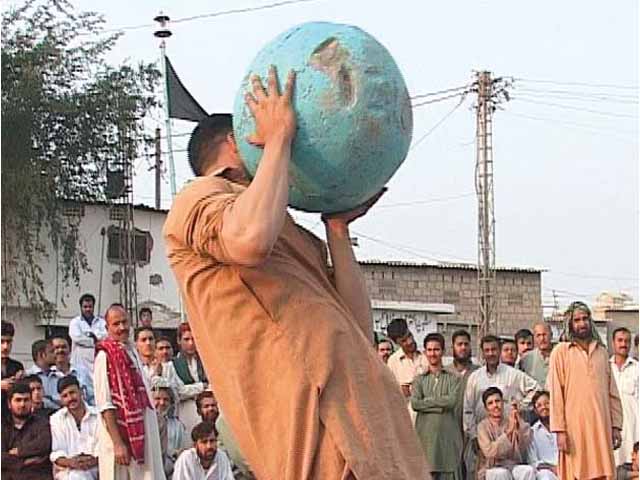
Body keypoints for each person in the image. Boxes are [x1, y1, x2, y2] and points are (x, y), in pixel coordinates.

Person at [163, 69, 428, 479]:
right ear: (236, 141)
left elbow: (357, 326)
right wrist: (278, 139)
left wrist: (336, 230)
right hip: (321, 435)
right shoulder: (199, 196)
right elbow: (248, 240)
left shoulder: (289, 232)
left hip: (372, 429)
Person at [547, 301, 623, 480]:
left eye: (585, 319)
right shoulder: (561, 352)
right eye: (577, 320)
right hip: (574, 430)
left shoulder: (602, 352)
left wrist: (616, 426)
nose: (582, 324)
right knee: (576, 473)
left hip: (600, 427)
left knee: (603, 472)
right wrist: (560, 431)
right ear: (570, 324)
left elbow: (612, 392)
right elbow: (556, 394)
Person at [94, 303, 165, 479]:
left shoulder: (131, 351)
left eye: (125, 322)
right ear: (107, 327)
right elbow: (105, 405)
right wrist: (118, 444)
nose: (122, 327)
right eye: (116, 324)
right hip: (120, 435)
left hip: (143, 428)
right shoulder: (104, 356)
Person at [464, 335, 539, 442]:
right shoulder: (475, 378)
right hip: (482, 436)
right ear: (482, 353)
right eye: (487, 350)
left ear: (499, 350)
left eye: (494, 349)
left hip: (508, 435)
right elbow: (468, 410)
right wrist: (474, 436)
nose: (490, 353)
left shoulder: (513, 375)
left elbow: (537, 389)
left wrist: (521, 405)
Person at [411, 332, 463, 480]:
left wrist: (426, 403)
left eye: (436, 349)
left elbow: (452, 401)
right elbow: (415, 403)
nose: (433, 354)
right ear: (425, 352)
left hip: (447, 440)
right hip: (425, 439)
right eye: (430, 350)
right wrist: (440, 405)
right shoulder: (419, 380)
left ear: (443, 351)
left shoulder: (454, 377)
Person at [477, 386, 535, 480]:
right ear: (486, 408)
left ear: (503, 403)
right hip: (492, 468)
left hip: (513, 465)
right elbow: (490, 451)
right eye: (490, 403)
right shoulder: (482, 427)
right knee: (500, 474)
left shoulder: (511, 420)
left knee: (528, 470)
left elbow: (527, 439)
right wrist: (508, 432)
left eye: (497, 401)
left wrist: (517, 417)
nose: (495, 405)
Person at [445, 329, 480, 480]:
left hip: (473, 431)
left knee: (472, 469)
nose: (463, 348)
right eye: (459, 344)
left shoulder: (478, 372)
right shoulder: (445, 372)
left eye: (466, 344)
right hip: (450, 429)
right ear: (453, 347)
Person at [49, 375, 98, 480]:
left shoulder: (98, 415)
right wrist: (72, 463)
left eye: (72, 393)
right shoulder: (56, 419)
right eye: (65, 396)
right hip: (68, 471)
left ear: (81, 392)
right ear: (61, 399)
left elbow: (102, 447)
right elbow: (57, 453)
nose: (70, 398)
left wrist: (93, 461)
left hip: (96, 468)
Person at [1, 381, 53, 479]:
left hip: (37, 476)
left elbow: (44, 444)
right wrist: (25, 462)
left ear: (31, 402)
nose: (22, 404)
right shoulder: (2, 426)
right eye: (18, 400)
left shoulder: (42, 422)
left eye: (26, 400)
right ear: (9, 403)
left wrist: (19, 452)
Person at [386, 317, 427, 424]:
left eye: (409, 335)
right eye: (404, 341)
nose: (410, 341)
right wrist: (401, 391)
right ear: (396, 343)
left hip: (427, 420)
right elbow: (389, 395)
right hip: (405, 421)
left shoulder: (427, 356)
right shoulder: (393, 362)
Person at [610, 327, 639, 467]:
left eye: (627, 341)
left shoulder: (637, 369)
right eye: (620, 340)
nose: (623, 344)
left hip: (633, 429)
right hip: (612, 428)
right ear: (613, 343)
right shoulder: (606, 368)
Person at [173, 323, 208, 435]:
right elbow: (178, 391)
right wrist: (202, 387)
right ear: (179, 341)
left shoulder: (205, 362)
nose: (191, 343)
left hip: (206, 411)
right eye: (186, 339)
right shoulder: (173, 364)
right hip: (185, 412)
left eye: (194, 339)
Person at [152, 377, 187, 479]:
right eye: (157, 399)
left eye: (166, 399)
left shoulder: (178, 426)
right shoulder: (147, 423)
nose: (162, 403)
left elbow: (182, 450)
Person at [49, 335, 95, 406]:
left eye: (64, 347)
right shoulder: (47, 375)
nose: (60, 350)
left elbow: (92, 397)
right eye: (56, 348)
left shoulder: (82, 371)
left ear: (70, 349)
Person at [69, 293, 106, 377]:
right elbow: (77, 338)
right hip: (80, 365)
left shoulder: (101, 322)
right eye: (85, 307)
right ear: (81, 307)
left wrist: (91, 337)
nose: (88, 309)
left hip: (97, 364)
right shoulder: (75, 322)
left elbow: (106, 337)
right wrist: (95, 340)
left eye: (90, 307)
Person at [526, 391, 558, 480]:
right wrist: (552, 468)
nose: (544, 407)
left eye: (547, 403)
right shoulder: (532, 432)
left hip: (567, 468)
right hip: (547, 472)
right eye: (539, 405)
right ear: (535, 411)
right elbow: (533, 462)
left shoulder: (564, 428)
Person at [25, 339, 58, 409]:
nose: (55, 354)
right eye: (51, 352)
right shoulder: (27, 377)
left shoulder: (59, 376)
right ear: (42, 355)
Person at [519, 323, 553, 388]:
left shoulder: (560, 355)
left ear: (551, 335)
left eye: (544, 335)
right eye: (538, 335)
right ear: (534, 338)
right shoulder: (525, 359)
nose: (542, 338)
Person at [1, 321, 24, 417]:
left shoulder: (16, 366)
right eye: (1, 342)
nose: (5, 347)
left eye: (9, 342)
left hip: (10, 417)